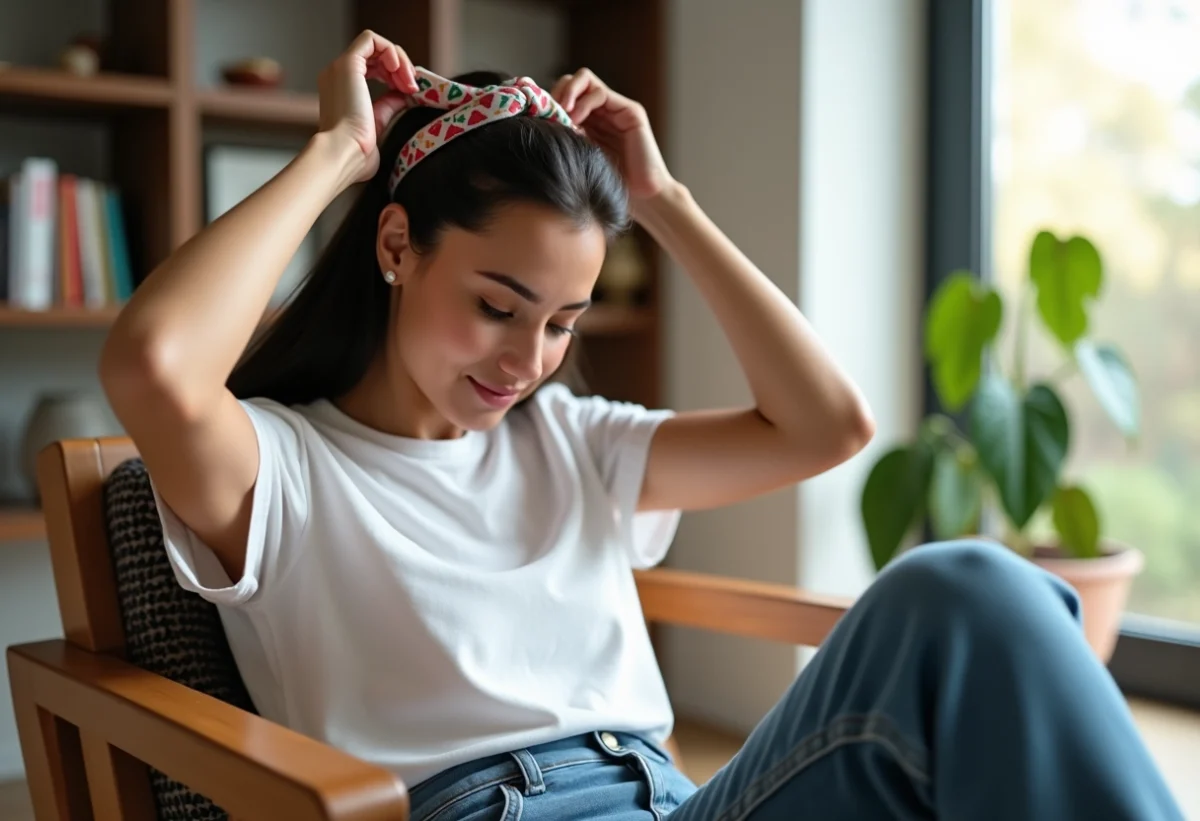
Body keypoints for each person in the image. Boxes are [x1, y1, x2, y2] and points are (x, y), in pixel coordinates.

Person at [100, 31, 1183, 821]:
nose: (527, 362)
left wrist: (662, 199)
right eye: (497, 305)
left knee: (969, 592)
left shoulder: (571, 440)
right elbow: (155, 360)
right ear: (396, 243)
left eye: (564, 322)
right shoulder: (281, 467)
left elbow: (826, 424)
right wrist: (341, 149)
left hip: (681, 803)